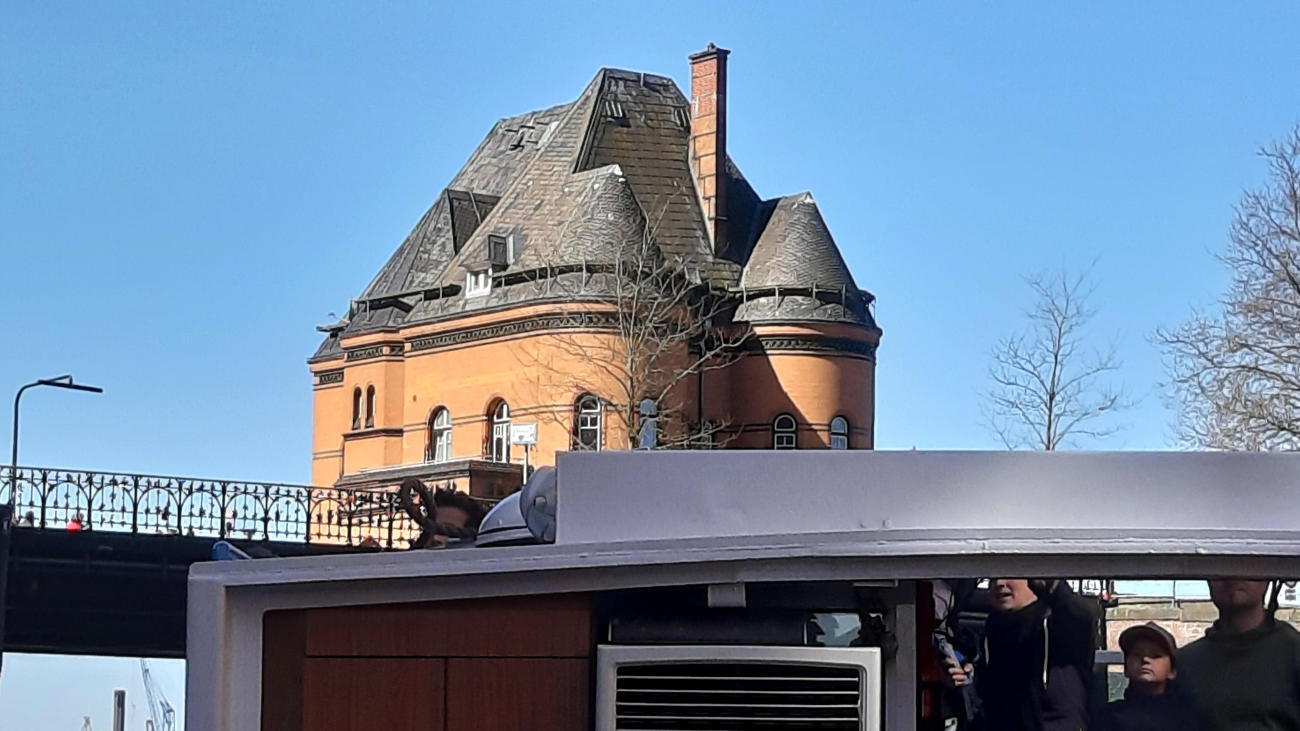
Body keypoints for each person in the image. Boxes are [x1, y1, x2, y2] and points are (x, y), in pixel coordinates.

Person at [946, 579, 1099, 731]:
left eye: (1009, 574)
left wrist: (1055, 586)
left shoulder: (1057, 622)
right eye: (992, 579)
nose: (999, 583)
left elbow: (1083, 617)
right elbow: (989, 696)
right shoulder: (992, 628)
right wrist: (967, 680)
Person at [1177, 578, 1300, 730]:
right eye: (1220, 568)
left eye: (1248, 567)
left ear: (1268, 579)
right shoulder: (1184, 663)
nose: (1232, 577)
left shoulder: (1293, 653)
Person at [1096, 622, 1194, 730]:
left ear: (1172, 671)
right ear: (1126, 668)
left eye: (1156, 655)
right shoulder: (1108, 717)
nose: (1145, 659)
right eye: (1137, 654)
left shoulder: (1187, 718)